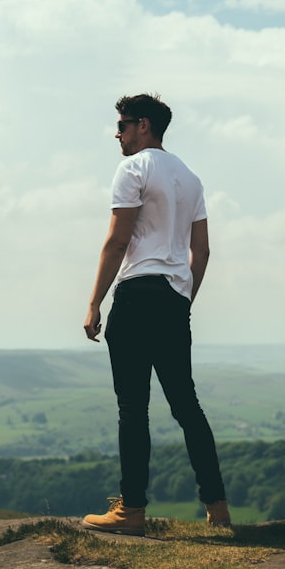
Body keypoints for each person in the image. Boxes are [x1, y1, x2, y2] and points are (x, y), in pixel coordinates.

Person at [81, 93, 231, 536]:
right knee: (187, 406)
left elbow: (117, 241)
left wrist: (94, 302)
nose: (118, 133)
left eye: (123, 125)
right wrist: (184, 298)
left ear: (143, 125)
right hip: (172, 299)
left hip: (136, 296)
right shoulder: (190, 177)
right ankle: (217, 506)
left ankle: (131, 511)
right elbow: (200, 250)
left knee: (133, 409)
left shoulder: (133, 168)